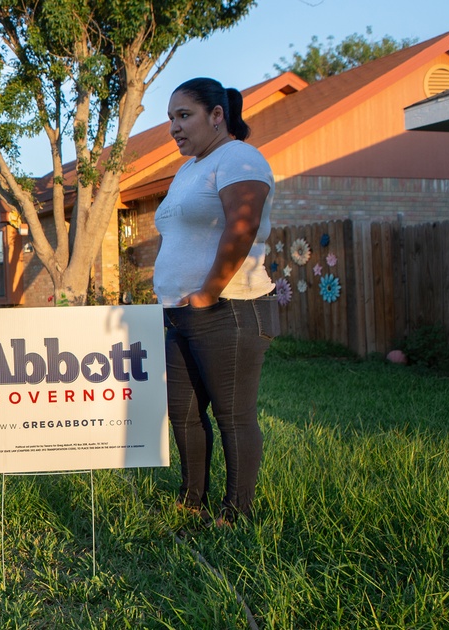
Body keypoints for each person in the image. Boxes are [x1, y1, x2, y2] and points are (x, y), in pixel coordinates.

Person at [153, 77, 279, 526]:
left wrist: (208, 291)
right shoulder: (189, 170)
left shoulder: (240, 157)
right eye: (171, 119)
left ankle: (235, 514)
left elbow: (241, 227)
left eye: (183, 116)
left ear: (217, 114)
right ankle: (191, 501)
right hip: (180, 313)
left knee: (232, 415)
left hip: (230, 309)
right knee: (182, 412)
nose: (174, 128)